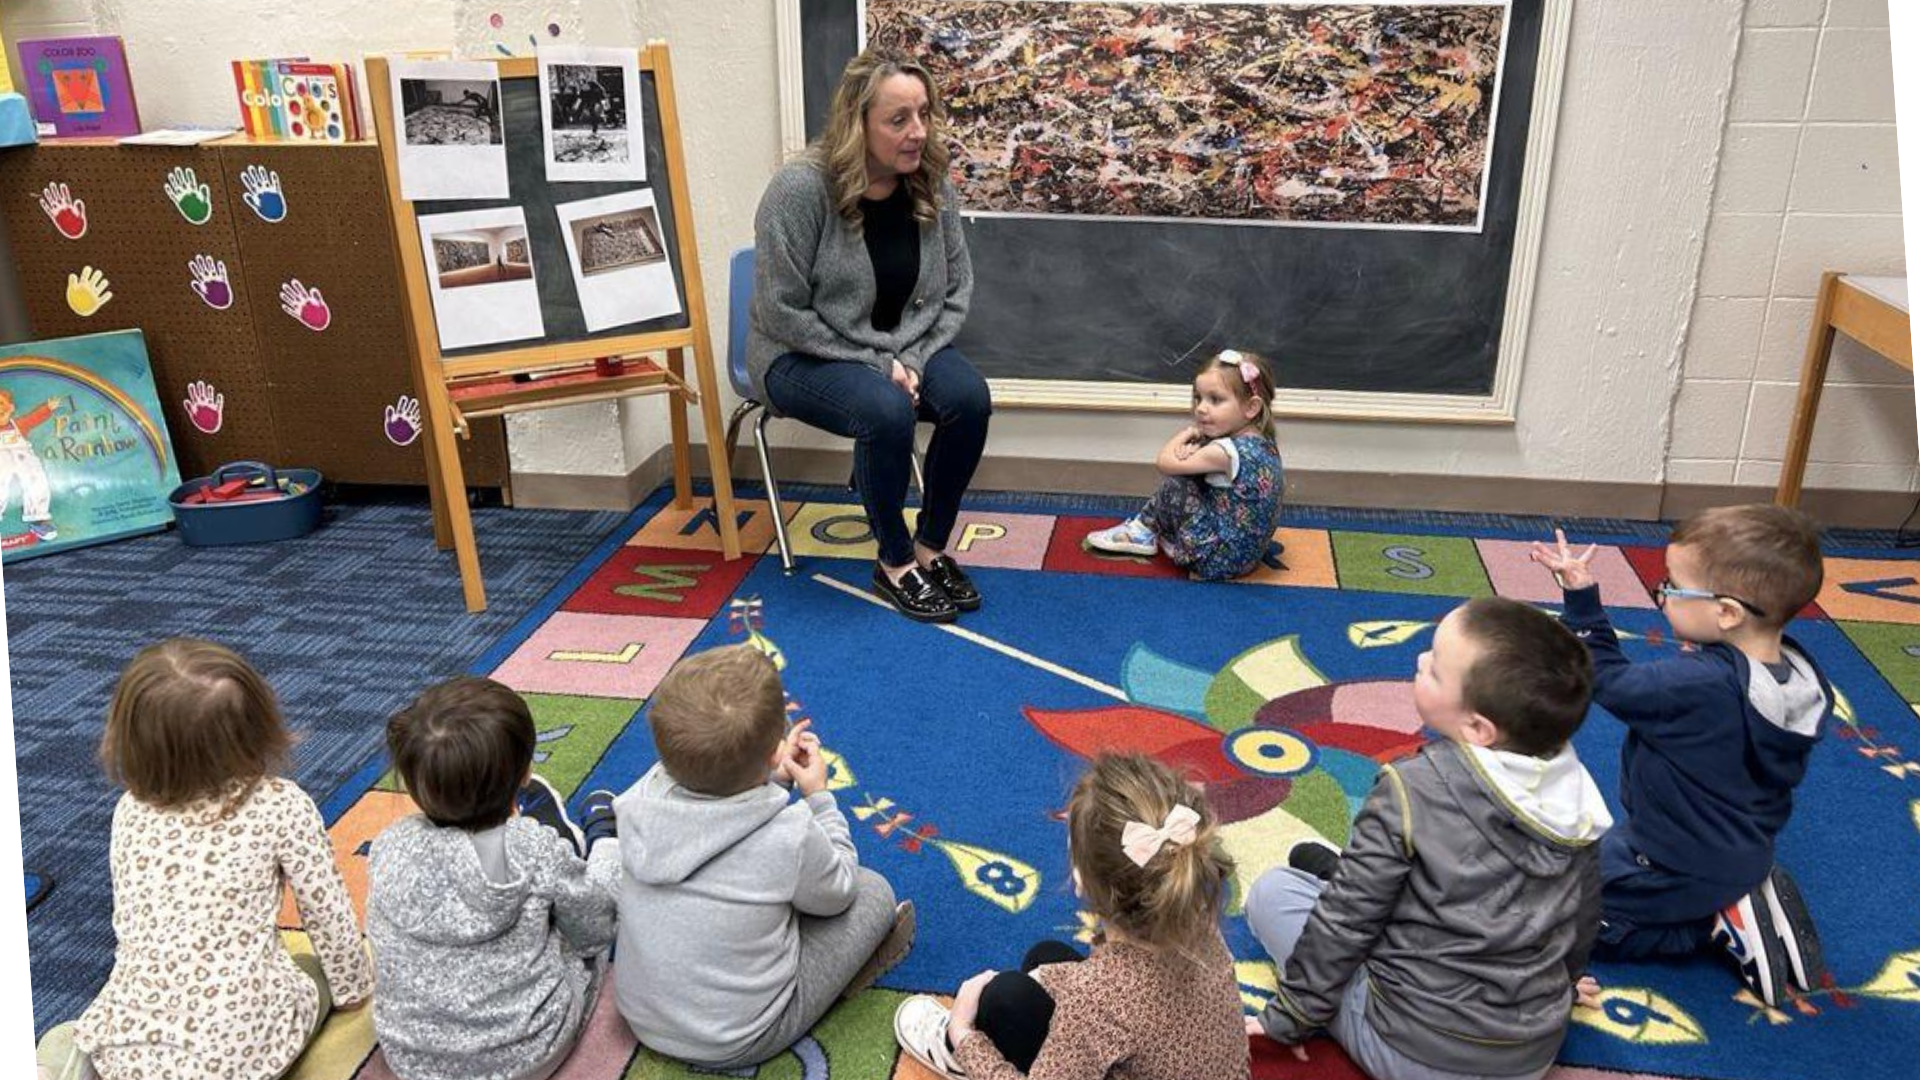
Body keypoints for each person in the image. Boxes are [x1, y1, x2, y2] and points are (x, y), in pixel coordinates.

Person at [1245, 598, 1607, 1080]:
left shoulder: (1411, 787)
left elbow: (1346, 920)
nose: (1419, 662)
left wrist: (1290, 1018)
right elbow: (1583, 911)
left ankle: (1340, 873)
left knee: (1273, 893)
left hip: (1415, 1052)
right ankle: (1342, 870)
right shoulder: (1577, 794)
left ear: (1478, 728)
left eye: (1435, 669)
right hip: (1530, 1054)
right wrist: (1560, 987)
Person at [1532, 505, 1832, 1008]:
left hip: (1674, 861)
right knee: (1575, 863)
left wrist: (1581, 599)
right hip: (1734, 844)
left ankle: (1711, 925)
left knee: (1561, 914)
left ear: (1728, 613)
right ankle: (1741, 891)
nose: (1663, 596)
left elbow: (1604, 678)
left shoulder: (1696, 685)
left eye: (1672, 586)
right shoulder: (1797, 674)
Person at [37, 639, 374, 1080]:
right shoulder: (281, 804)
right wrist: (354, 990)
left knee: (67, 1035)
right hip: (236, 1051)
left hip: (128, 1045)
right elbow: (327, 914)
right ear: (258, 727)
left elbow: (133, 917)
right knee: (313, 972)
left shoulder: (129, 809)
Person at [749, 49, 991, 623]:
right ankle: (896, 561)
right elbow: (782, 311)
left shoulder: (932, 180)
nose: (918, 132)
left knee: (968, 400)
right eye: (898, 119)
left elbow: (956, 290)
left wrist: (906, 356)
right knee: (886, 412)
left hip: (901, 347)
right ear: (857, 122)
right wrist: (877, 364)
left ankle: (931, 549)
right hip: (798, 352)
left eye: (924, 114)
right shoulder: (799, 190)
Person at [612, 644, 914, 1068]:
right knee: (873, 891)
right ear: (776, 749)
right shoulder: (788, 835)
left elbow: (720, 806)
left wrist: (772, 778)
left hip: (641, 1014)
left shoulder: (638, 798)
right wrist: (820, 798)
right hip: (740, 1037)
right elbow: (841, 890)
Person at [893, 753, 1249, 1080]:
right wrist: (1054, 978)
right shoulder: (1198, 921)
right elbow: (1126, 995)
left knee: (1005, 997)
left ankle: (957, 1053)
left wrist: (965, 1037)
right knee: (1044, 957)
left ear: (1080, 879)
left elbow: (1106, 1000)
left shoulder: (1096, 998)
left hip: (1111, 1017)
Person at [367, 677, 622, 1080]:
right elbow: (595, 931)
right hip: (530, 1053)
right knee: (594, 899)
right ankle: (602, 833)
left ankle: (553, 841)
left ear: (415, 788)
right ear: (523, 775)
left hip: (412, 1061)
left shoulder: (388, 846)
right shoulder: (531, 850)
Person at [1085, 349, 1283, 581]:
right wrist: (1198, 450)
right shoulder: (1263, 442)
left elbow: (1164, 462)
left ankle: (1142, 532)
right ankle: (1162, 533)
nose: (1201, 408)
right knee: (1197, 475)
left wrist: (1189, 433)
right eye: (1198, 398)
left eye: (1215, 400)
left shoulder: (1225, 452)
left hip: (1216, 563)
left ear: (1251, 407)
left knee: (1178, 482)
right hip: (1248, 557)